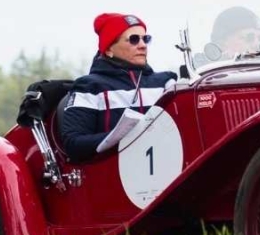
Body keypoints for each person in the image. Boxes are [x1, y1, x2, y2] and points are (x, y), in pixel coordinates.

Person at [60, 13, 176, 161]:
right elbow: (73, 145)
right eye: (134, 39)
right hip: (111, 175)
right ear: (109, 50)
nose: (143, 45)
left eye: (145, 39)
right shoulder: (89, 87)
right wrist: (120, 136)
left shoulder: (165, 82)